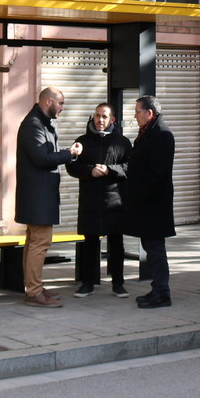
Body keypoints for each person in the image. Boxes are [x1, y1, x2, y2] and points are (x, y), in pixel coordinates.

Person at [14, 87, 83, 308]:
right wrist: (70, 153)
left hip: (39, 194)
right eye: (60, 103)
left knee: (34, 242)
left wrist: (66, 153)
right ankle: (34, 292)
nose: (62, 108)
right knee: (40, 243)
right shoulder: (33, 124)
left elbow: (46, 155)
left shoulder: (41, 123)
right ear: (48, 101)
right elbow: (42, 158)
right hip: (38, 196)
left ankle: (33, 287)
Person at [66, 102, 131, 298]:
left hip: (115, 201)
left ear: (112, 120)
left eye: (104, 116)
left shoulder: (122, 142)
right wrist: (89, 171)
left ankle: (118, 283)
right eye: (97, 116)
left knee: (116, 243)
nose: (100, 120)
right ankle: (88, 283)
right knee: (90, 244)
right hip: (90, 201)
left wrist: (110, 170)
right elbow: (71, 166)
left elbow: (130, 166)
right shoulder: (81, 141)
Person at [124, 95, 175, 308]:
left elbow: (157, 174)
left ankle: (162, 293)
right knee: (150, 247)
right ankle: (157, 289)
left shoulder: (162, 135)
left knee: (155, 249)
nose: (135, 116)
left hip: (154, 204)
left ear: (149, 113)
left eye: (137, 111)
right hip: (146, 203)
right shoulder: (149, 133)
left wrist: (141, 192)